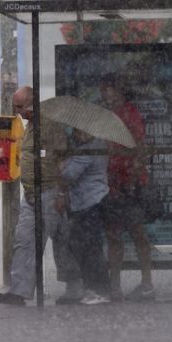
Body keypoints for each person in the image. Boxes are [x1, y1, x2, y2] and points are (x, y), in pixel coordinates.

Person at [0, 86, 82, 306]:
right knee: (24, 241)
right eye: (16, 106)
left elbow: (61, 159)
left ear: (33, 102)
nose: (18, 111)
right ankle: (19, 291)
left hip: (50, 191)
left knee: (59, 240)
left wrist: (61, 192)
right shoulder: (30, 125)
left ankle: (74, 287)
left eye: (21, 106)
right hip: (30, 193)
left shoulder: (49, 124)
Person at [100, 77, 155, 301]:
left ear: (119, 90)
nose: (105, 95)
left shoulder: (129, 113)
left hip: (130, 183)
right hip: (112, 184)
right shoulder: (106, 118)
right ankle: (115, 286)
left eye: (107, 90)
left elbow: (140, 147)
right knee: (113, 235)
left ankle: (147, 283)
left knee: (137, 232)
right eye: (102, 91)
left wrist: (132, 176)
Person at [60, 128, 111, 305]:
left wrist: (62, 164)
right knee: (84, 245)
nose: (78, 135)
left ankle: (100, 290)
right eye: (76, 132)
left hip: (89, 202)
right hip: (89, 201)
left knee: (89, 247)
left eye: (81, 132)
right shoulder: (96, 143)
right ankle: (94, 288)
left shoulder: (89, 148)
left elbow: (68, 175)